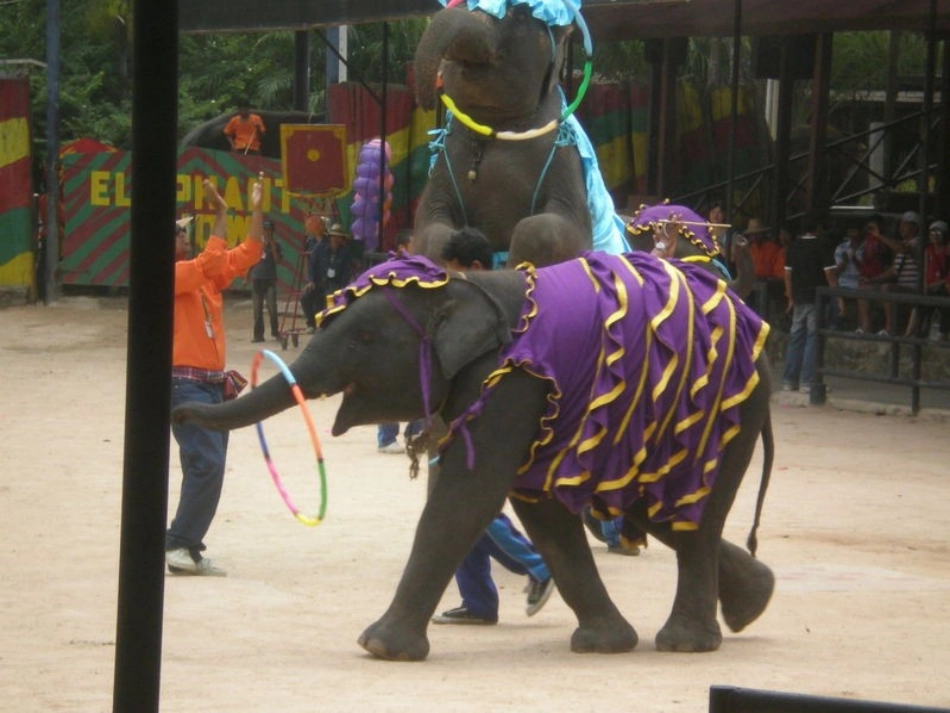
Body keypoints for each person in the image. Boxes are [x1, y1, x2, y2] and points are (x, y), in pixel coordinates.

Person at [432, 227, 555, 625]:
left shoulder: (504, 300)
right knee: (453, 513)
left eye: (453, 272)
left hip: (489, 419)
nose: (449, 281)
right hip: (465, 419)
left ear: (476, 268)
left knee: (469, 505)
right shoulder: (477, 299)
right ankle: (479, 601)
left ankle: (539, 564)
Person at [166, 174, 266, 576]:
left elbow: (250, 252)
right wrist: (222, 213)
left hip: (210, 386)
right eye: (178, 235)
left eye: (186, 234)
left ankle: (184, 544)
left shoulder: (202, 277)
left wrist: (256, 209)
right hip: (183, 384)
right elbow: (211, 259)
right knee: (207, 463)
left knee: (206, 464)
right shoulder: (170, 275)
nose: (185, 239)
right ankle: (179, 543)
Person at [377, 230, 422, 454]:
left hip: (414, 335)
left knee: (419, 385)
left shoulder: (421, 269)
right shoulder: (390, 271)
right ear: (403, 247)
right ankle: (386, 438)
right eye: (415, 243)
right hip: (392, 335)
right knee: (391, 388)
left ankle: (416, 430)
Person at [782, 215, 838, 393]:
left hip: (799, 297)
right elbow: (830, 276)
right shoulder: (822, 245)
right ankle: (809, 381)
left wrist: (790, 297)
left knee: (796, 337)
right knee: (813, 338)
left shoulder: (793, 247)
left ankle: (790, 380)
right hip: (816, 298)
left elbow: (788, 275)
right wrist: (839, 297)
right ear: (818, 228)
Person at [250, 218, 282, 343]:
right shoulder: (257, 244)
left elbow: (277, 260)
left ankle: (275, 331)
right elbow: (251, 261)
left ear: (272, 231)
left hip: (269, 279)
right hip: (257, 278)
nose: (267, 232)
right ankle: (258, 335)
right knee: (257, 309)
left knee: (272, 307)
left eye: (269, 230)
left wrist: (273, 245)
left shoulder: (276, 244)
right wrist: (247, 277)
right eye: (265, 230)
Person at [832, 220, 865, 330]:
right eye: (850, 232)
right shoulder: (841, 248)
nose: (852, 234)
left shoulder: (867, 247)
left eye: (855, 231)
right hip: (843, 284)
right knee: (831, 292)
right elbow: (836, 273)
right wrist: (844, 262)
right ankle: (835, 327)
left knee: (863, 293)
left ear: (861, 232)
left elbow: (866, 269)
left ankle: (861, 328)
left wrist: (854, 258)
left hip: (860, 284)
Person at [920, 220, 950, 340]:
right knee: (924, 306)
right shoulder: (928, 250)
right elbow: (925, 269)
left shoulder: (947, 251)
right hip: (930, 286)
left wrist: (938, 284)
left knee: (944, 303)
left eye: (939, 233)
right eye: (933, 233)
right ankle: (921, 332)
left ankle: (943, 333)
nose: (935, 236)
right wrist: (925, 285)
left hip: (943, 286)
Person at [300, 215, 328, 334]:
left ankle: (321, 324)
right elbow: (309, 262)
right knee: (305, 297)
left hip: (326, 277)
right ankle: (310, 323)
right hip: (314, 278)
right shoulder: (310, 242)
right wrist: (309, 279)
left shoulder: (328, 241)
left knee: (322, 301)